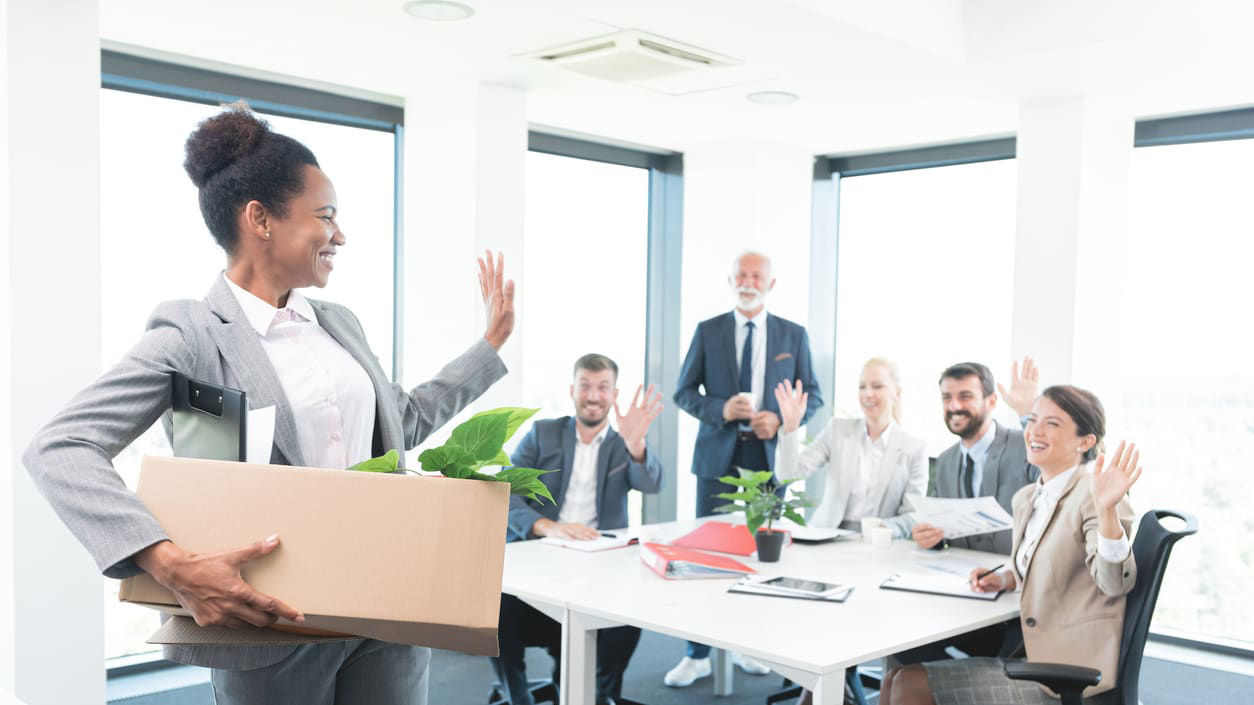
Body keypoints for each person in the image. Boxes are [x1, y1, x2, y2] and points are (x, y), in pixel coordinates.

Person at [22, 107, 515, 705]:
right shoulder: (193, 335)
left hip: (384, 609)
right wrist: (169, 564)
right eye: (326, 216)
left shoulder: (339, 324)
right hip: (267, 622)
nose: (340, 235)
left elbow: (401, 420)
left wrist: (488, 348)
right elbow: (61, 448)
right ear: (259, 218)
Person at [880, 386, 1141, 705]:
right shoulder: (1028, 498)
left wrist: (1107, 512)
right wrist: (1005, 577)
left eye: (1052, 424)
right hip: (1031, 651)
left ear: (1084, 442)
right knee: (894, 676)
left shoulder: (1094, 495)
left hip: (1066, 672)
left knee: (909, 683)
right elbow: (1047, 561)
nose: (1035, 431)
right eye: (1033, 420)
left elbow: (1113, 583)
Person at [669, 250, 823, 687]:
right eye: (742, 274)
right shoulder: (708, 330)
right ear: (730, 280)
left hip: (768, 458)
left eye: (757, 275)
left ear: (771, 283)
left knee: (761, 556)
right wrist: (720, 407)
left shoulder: (794, 334)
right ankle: (696, 653)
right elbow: (683, 392)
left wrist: (779, 418)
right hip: (717, 457)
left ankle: (748, 644)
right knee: (707, 554)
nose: (748, 281)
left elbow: (814, 394)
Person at [494, 354, 664, 705]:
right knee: (496, 606)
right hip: (541, 555)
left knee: (631, 611)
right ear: (572, 390)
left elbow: (651, 482)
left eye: (603, 387)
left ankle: (599, 694)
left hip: (598, 564)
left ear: (614, 394)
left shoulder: (623, 444)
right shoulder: (544, 434)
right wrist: (548, 527)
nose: (593, 395)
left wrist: (636, 445)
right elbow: (505, 490)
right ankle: (518, 696)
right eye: (585, 385)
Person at [891, 359, 1041, 665]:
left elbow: (1060, 474)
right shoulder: (945, 461)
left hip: (1014, 603)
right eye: (947, 398)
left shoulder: (1024, 446)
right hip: (965, 594)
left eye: (965, 396)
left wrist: (1029, 415)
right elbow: (941, 525)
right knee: (899, 641)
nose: (954, 406)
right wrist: (930, 537)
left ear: (991, 401)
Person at [774, 357, 927, 535]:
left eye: (877, 386)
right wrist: (791, 426)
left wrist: (883, 530)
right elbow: (787, 475)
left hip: (877, 545)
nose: (868, 394)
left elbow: (912, 515)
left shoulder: (914, 448)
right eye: (862, 387)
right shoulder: (837, 431)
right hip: (827, 536)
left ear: (897, 393)